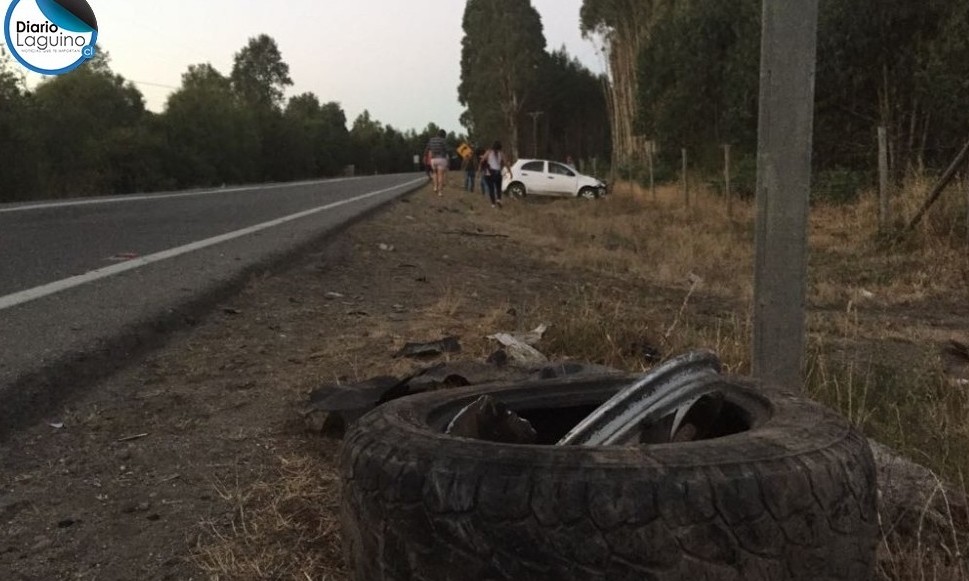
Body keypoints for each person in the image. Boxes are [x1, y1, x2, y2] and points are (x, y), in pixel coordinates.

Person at [481, 141, 507, 208]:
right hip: (498, 172)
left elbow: (482, 160)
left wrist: (483, 168)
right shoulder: (501, 153)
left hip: (490, 172)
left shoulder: (488, 152)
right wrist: (510, 172)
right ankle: (498, 199)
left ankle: (493, 204)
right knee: (498, 187)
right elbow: (505, 162)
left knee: (491, 188)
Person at [424, 129, 448, 195]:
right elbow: (446, 149)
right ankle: (440, 192)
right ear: (443, 135)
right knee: (440, 175)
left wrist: (425, 157)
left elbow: (427, 149)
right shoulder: (443, 140)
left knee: (434, 173)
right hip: (441, 159)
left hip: (433, 160)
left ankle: (435, 187)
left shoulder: (431, 140)